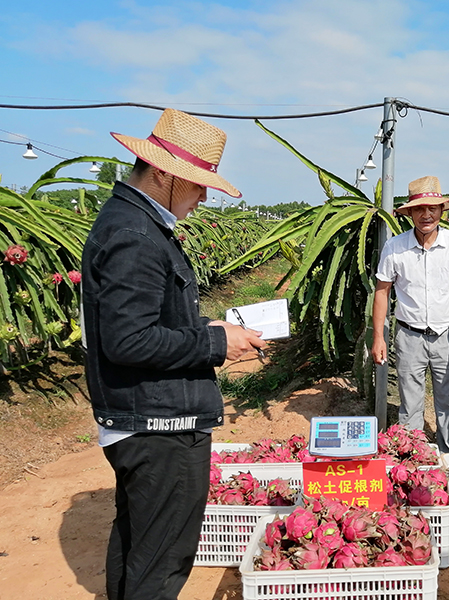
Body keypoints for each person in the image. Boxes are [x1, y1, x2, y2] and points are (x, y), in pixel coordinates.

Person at [81, 108, 265, 600]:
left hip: (144, 416)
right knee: (162, 561)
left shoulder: (132, 222)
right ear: (162, 170)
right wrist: (215, 343)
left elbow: (141, 323)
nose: (204, 195)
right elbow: (128, 340)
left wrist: (209, 326)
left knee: (138, 542)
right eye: (197, 183)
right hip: (159, 425)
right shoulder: (135, 235)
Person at [371, 175, 449, 453]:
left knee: (448, 405)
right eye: (419, 209)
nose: (426, 215)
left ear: (442, 211)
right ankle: (413, 462)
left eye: (432, 208)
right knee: (410, 406)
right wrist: (378, 337)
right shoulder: (395, 247)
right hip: (408, 336)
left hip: (446, 337)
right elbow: (382, 291)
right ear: (410, 213)